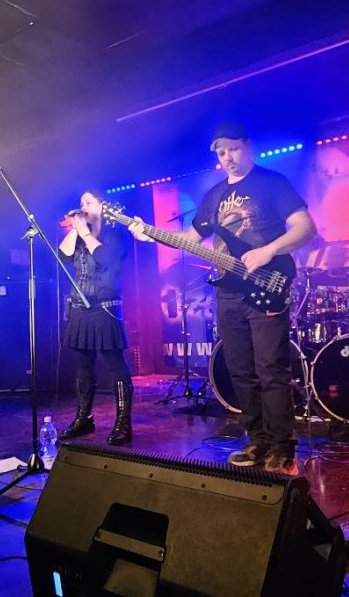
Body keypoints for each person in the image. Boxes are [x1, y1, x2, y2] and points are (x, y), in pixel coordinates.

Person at [130, 122, 317, 475]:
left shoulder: (272, 182)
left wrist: (268, 250)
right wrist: (150, 234)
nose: (227, 157)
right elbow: (189, 238)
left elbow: (306, 227)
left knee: (271, 369)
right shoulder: (214, 196)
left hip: (267, 284)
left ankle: (282, 446)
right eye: (220, 152)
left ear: (247, 146)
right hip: (229, 292)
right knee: (240, 370)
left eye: (232, 148)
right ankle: (258, 440)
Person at [58, 190, 133, 446]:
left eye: (89, 202)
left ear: (103, 205)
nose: (84, 207)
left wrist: (85, 232)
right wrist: (75, 229)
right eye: (81, 203)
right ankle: (83, 418)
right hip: (80, 307)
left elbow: (104, 259)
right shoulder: (80, 235)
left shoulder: (116, 234)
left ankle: (123, 423)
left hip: (105, 307)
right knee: (82, 365)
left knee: (115, 364)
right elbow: (63, 257)